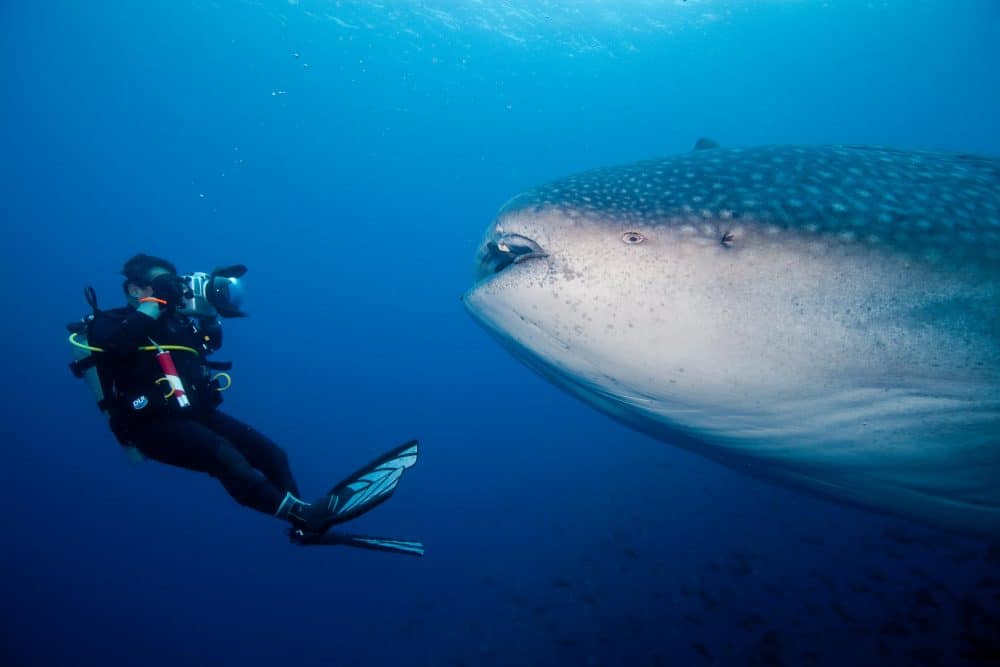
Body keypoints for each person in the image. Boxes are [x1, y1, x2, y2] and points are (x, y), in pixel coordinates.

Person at [68, 253, 421, 555]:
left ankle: (303, 521)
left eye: (172, 283)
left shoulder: (175, 324)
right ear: (134, 290)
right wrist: (152, 306)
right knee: (222, 455)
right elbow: (115, 347)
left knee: (274, 455)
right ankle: (300, 515)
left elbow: (208, 345)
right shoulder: (109, 322)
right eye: (161, 284)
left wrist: (209, 314)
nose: (171, 290)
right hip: (149, 425)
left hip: (195, 414)